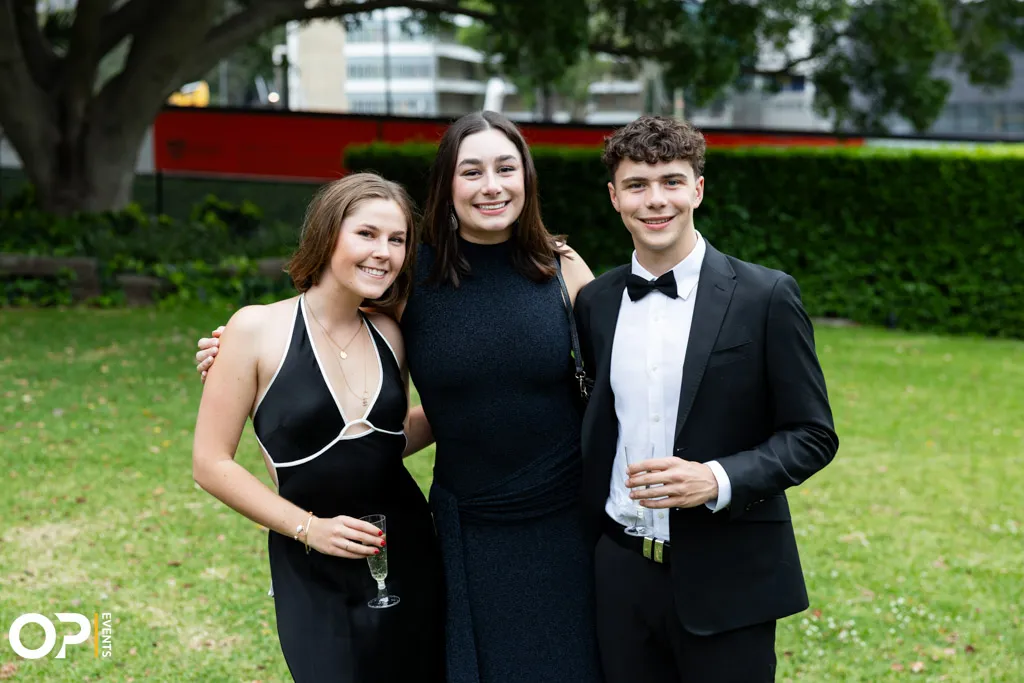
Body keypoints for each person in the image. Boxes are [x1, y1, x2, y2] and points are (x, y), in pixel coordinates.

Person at [195, 112, 603, 683]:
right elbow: (326, 322)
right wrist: (230, 353)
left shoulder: (564, 271)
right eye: (471, 170)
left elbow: (618, 377)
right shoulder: (415, 282)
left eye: (506, 168)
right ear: (448, 185)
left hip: (565, 520)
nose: (491, 185)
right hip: (467, 526)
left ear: (527, 179)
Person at [572, 114, 840, 683]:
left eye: (671, 181)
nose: (655, 200)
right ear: (615, 196)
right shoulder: (595, 302)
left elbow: (812, 434)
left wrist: (715, 479)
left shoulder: (766, 296)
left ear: (697, 188)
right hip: (619, 575)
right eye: (637, 185)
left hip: (728, 575)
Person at [192, 173, 444, 683]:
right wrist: (312, 530)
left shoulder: (391, 331)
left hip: (405, 546)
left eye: (397, 240)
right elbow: (210, 464)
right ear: (329, 234)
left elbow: (387, 442)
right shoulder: (254, 330)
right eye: (367, 234)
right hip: (309, 560)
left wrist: (470, 409)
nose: (384, 253)